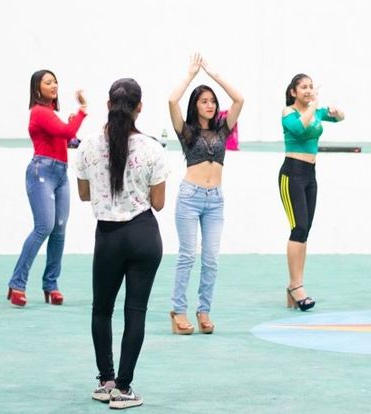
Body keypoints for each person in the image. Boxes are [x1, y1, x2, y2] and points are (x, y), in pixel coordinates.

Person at [76, 78, 168, 409]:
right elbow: (158, 203)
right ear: (139, 107)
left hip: (108, 237)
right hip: (143, 234)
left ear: (108, 105)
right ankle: (125, 388)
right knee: (135, 311)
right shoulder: (152, 148)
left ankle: (106, 381)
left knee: (102, 310)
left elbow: (84, 194)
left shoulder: (88, 145)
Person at [167, 54, 243, 334]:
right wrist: (190, 75)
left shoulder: (223, 130)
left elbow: (239, 99)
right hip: (190, 197)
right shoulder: (186, 132)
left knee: (211, 259)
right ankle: (178, 311)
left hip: (215, 201)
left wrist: (213, 75)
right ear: (195, 106)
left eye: (212, 101)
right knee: (187, 256)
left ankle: (204, 310)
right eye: (203, 101)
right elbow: (172, 101)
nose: (210, 105)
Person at [7, 69, 87, 307]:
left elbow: (69, 139)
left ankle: (51, 284)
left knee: (59, 230)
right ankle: (17, 283)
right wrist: (81, 112)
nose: (54, 86)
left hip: (61, 173)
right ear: (37, 89)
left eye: (55, 82)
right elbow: (66, 132)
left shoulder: (51, 115)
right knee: (44, 226)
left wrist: (73, 131)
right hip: (41, 172)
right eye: (48, 82)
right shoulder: (39, 112)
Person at [279, 72, 345, 311]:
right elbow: (299, 127)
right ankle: (296, 286)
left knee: (305, 230)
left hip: (310, 175)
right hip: (292, 175)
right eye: (303, 87)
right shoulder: (289, 112)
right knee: (298, 228)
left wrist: (335, 111)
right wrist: (314, 105)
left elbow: (340, 118)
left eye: (311, 86)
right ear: (293, 92)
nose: (308, 90)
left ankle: (295, 285)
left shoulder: (315, 111)